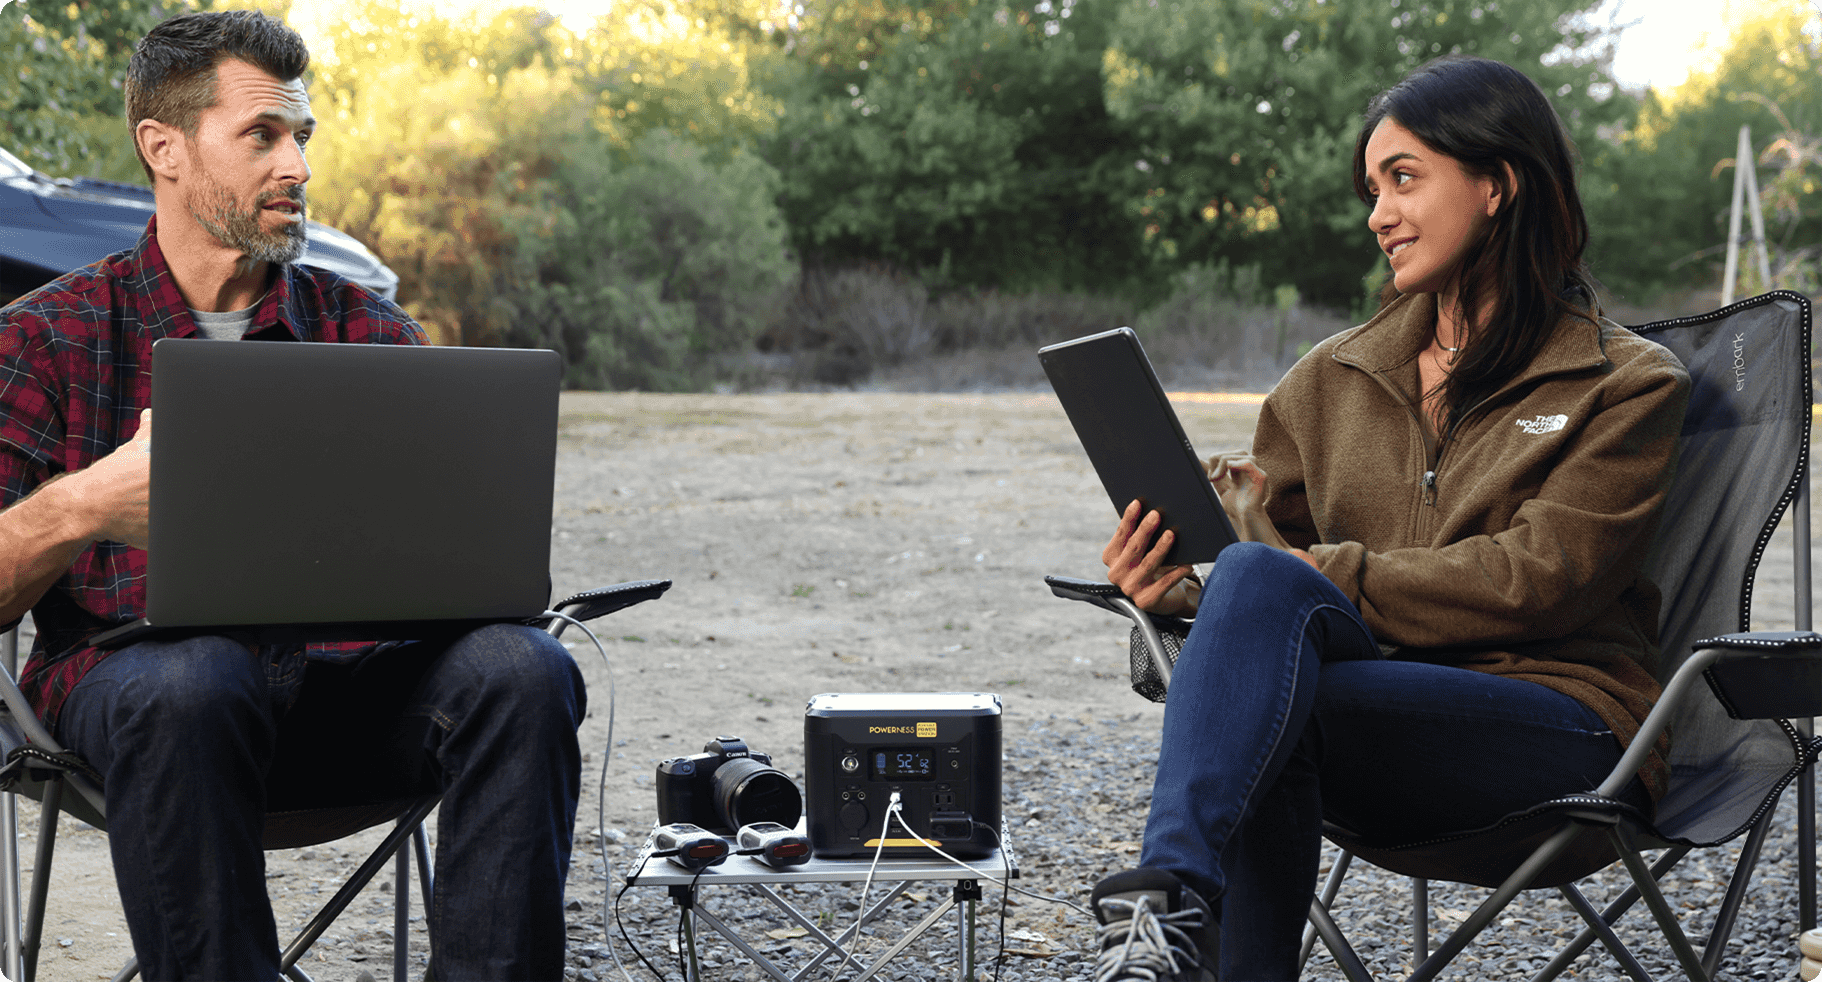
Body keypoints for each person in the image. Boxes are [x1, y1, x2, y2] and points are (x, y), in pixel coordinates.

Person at [0, 11, 584, 980]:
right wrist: (86, 503)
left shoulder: (368, 331)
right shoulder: (44, 336)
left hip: (352, 705)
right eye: (262, 135)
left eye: (301, 136)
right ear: (165, 148)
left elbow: (457, 555)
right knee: (192, 679)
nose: (298, 167)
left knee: (524, 670)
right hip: (149, 713)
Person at [1086, 56, 1690, 982]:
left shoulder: (1624, 385)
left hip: (1561, 728)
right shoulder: (1330, 379)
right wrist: (1176, 599)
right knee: (1263, 629)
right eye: (1372, 189)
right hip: (1368, 716)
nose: (1378, 214)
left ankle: (1167, 912)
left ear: (1499, 185)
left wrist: (1310, 571)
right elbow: (1260, 595)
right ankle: (1169, 918)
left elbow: (1542, 579)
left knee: (1282, 673)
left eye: (1404, 178)